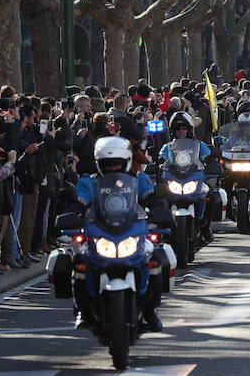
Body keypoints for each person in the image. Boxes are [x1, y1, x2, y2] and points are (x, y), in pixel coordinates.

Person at [72, 136, 164, 331]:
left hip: (131, 230)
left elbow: (155, 198)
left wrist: (161, 211)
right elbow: (73, 204)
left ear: (127, 161)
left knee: (157, 258)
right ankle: (83, 310)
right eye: (108, 164)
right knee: (79, 261)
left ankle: (150, 309)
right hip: (99, 232)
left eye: (117, 164)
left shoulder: (139, 180)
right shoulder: (88, 184)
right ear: (99, 163)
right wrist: (71, 213)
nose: (113, 168)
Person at [158, 112, 215, 243]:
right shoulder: (167, 147)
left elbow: (208, 157)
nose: (181, 131)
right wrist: (158, 164)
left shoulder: (199, 145)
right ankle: (163, 229)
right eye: (178, 128)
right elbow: (161, 159)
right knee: (158, 197)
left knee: (212, 196)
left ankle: (205, 227)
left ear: (189, 129)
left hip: (194, 179)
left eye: (184, 128)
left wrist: (211, 161)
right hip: (174, 180)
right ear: (173, 131)